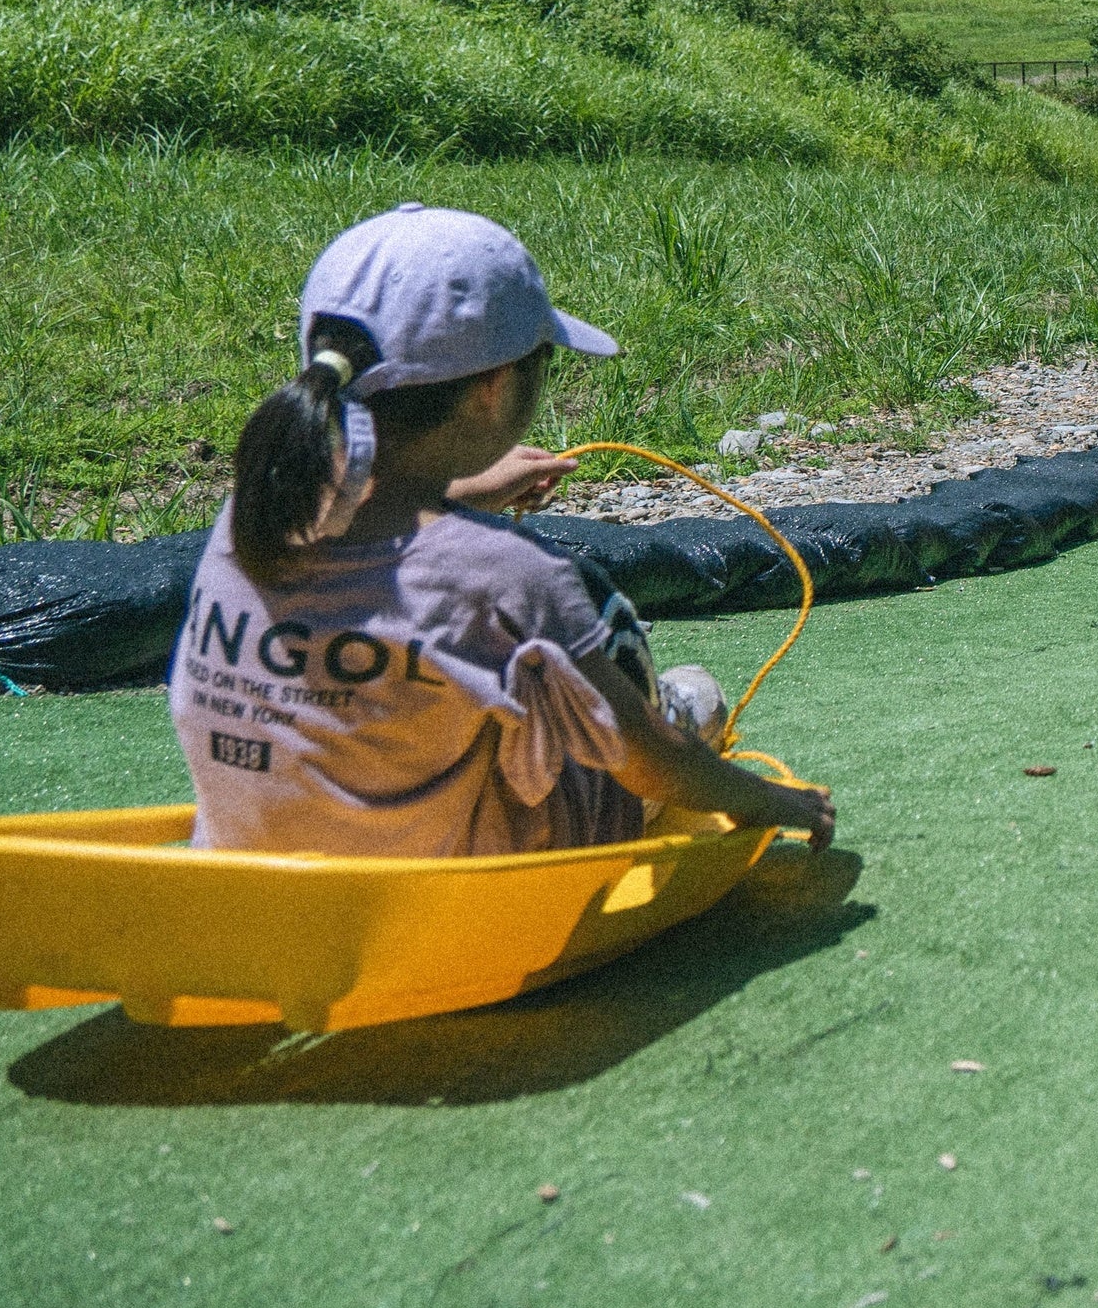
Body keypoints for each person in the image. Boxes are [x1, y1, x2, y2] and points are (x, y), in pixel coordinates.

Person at [169, 203, 836, 858]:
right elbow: (652, 765)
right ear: (491, 388)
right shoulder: (512, 576)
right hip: (441, 887)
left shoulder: (253, 514)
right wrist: (776, 802)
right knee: (619, 638)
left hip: (249, 866)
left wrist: (459, 492)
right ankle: (675, 706)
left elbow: (376, 538)